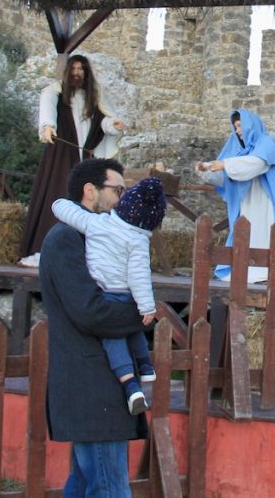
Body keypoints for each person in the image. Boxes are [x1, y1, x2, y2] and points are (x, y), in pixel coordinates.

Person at [39, 157, 149, 498]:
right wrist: (141, 313)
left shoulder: (98, 237)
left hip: (98, 384)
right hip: (89, 382)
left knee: (89, 482)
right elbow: (90, 311)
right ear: (91, 192)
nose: (122, 199)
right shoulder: (65, 239)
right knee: (109, 485)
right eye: (117, 190)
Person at [51, 177, 166, 415]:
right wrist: (146, 306)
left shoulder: (97, 223)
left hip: (107, 294)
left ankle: (130, 385)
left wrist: (60, 202)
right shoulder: (138, 240)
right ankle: (145, 367)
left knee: (112, 337)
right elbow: (139, 276)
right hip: (127, 295)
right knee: (133, 328)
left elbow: (63, 210)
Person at [20, 54, 126, 260]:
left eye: (81, 69)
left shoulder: (94, 96)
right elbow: (48, 109)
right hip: (62, 154)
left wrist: (113, 125)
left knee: (88, 200)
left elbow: (102, 123)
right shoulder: (55, 91)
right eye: (74, 69)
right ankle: (48, 248)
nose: (77, 73)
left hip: (86, 155)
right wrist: (48, 126)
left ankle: (84, 251)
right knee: (58, 193)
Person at [195, 108, 275, 283]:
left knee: (267, 231)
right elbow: (225, 177)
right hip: (247, 202)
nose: (238, 131)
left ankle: (271, 271)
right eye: (235, 127)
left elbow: (254, 164)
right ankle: (248, 270)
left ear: (250, 125)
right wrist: (206, 170)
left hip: (266, 200)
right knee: (249, 232)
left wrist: (225, 164)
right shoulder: (236, 151)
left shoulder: (267, 144)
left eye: (240, 126)